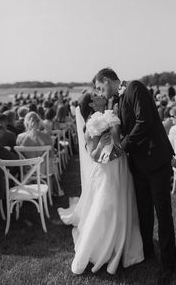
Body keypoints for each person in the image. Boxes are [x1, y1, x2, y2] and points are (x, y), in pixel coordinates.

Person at [94, 68, 176, 284]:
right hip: (138, 164)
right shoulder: (118, 101)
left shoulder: (134, 88)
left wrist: (123, 146)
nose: (101, 92)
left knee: (163, 212)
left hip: (156, 159)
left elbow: (144, 121)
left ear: (107, 79)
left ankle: (168, 263)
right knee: (144, 209)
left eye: (101, 87)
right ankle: (147, 251)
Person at [58, 93, 144, 275]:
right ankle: (98, 247)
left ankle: (120, 245)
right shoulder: (92, 123)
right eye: (96, 94)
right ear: (91, 103)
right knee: (105, 207)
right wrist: (101, 145)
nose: (100, 94)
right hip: (105, 172)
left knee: (122, 204)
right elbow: (93, 155)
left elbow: (119, 142)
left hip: (120, 166)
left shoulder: (110, 113)